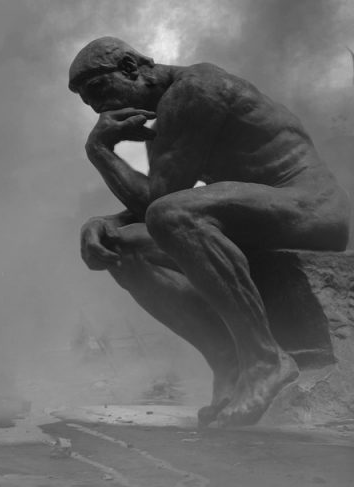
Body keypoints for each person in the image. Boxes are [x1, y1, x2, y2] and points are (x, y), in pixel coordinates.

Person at [68, 37, 351, 427]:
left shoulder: (195, 89)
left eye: (98, 90)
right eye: (88, 103)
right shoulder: (167, 117)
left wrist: (99, 151)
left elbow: (161, 201)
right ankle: (228, 361)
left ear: (132, 67)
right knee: (120, 247)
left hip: (311, 207)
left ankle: (264, 359)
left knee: (172, 215)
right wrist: (104, 225)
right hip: (258, 217)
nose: (98, 108)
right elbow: (159, 198)